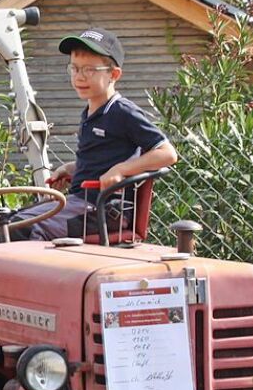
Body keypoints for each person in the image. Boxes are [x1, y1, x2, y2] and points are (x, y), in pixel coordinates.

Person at [13, 27, 178, 240]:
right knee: (7, 221)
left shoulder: (122, 111)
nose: (79, 77)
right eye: (74, 68)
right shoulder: (91, 113)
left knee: (24, 229)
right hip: (80, 204)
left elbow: (167, 154)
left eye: (89, 70)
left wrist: (122, 169)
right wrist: (70, 168)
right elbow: (102, 160)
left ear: (114, 75)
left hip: (105, 211)